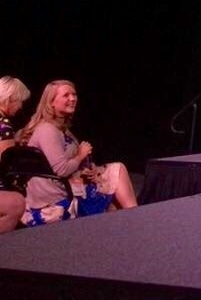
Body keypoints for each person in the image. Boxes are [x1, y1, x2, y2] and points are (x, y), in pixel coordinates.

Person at [17, 79, 138, 226]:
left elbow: (66, 162)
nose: (72, 98)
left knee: (114, 188)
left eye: (74, 94)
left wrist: (88, 170)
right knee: (117, 170)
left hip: (69, 183)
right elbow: (61, 170)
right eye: (66, 95)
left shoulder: (60, 127)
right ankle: (135, 218)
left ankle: (128, 223)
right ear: (51, 102)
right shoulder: (47, 129)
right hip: (56, 196)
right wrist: (81, 154)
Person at [0, 76, 31, 232]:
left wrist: (14, 141)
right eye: (20, 101)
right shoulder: (4, 126)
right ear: (10, 99)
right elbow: (6, 165)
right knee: (17, 203)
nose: (20, 107)